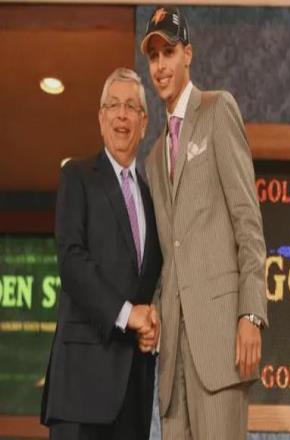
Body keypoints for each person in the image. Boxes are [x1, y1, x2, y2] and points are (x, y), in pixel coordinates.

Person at [138, 6, 268, 440]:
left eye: (169, 53)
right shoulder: (153, 157)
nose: (160, 66)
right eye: (153, 57)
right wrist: (154, 315)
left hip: (220, 343)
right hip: (173, 358)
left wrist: (251, 313)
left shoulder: (217, 109)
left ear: (188, 55)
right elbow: (169, 255)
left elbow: (248, 222)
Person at [41, 67, 162, 440]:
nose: (122, 115)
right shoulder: (77, 177)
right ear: (100, 117)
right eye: (113, 105)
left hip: (134, 392)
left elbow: (154, 279)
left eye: (131, 107)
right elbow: (71, 261)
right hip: (81, 389)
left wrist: (154, 322)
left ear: (144, 123)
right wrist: (128, 314)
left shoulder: (152, 197)